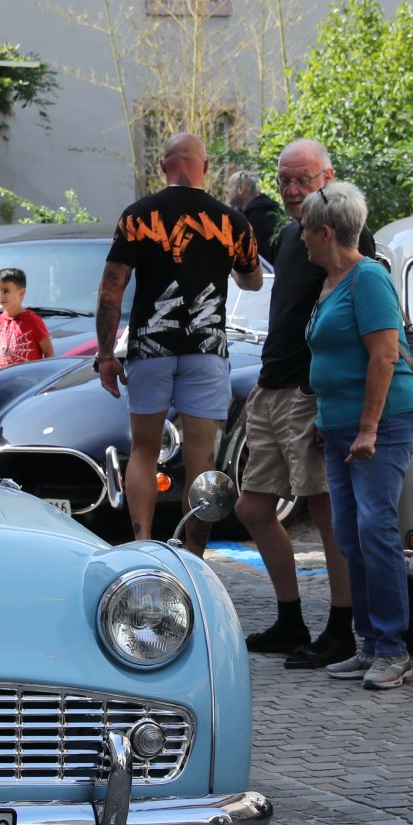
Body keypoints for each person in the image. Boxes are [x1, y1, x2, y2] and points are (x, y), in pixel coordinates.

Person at [236, 138, 370, 668]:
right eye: (285, 180)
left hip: (308, 391)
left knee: (325, 510)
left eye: (303, 179)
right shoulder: (293, 234)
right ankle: (290, 619)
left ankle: (341, 628)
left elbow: (364, 322)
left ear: (327, 178)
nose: (292, 190)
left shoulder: (344, 234)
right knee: (252, 508)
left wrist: (334, 402)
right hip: (271, 386)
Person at [94, 132, 262, 553]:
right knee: (201, 459)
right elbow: (253, 280)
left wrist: (105, 355)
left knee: (144, 451)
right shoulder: (232, 221)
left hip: (149, 348)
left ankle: (142, 545)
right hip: (206, 350)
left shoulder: (137, 216)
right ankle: (195, 556)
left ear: (162, 166)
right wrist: (228, 265)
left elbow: (111, 291)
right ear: (205, 167)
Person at [301, 182, 413, 690]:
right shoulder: (331, 282)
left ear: (326, 232)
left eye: (305, 229)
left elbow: (385, 356)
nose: (301, 238)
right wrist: (325, 420)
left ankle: (393, 648)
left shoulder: (367, 278)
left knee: (375, 528)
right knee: (350, 533)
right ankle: (370, 644)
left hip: (382, 422)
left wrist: (369, 427)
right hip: (338, 426)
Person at [0, 267, 54, 372]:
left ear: (21, 293)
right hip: (1, 380)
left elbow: (49, 354)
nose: (0, 296)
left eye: (6, 291)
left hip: (28, 380)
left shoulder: (33, 322)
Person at [226, 169, 285, 267]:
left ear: (241, 189)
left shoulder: (259, 216)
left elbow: (259, 258)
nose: (226, 191)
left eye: (230, 186)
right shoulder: (252, 213)